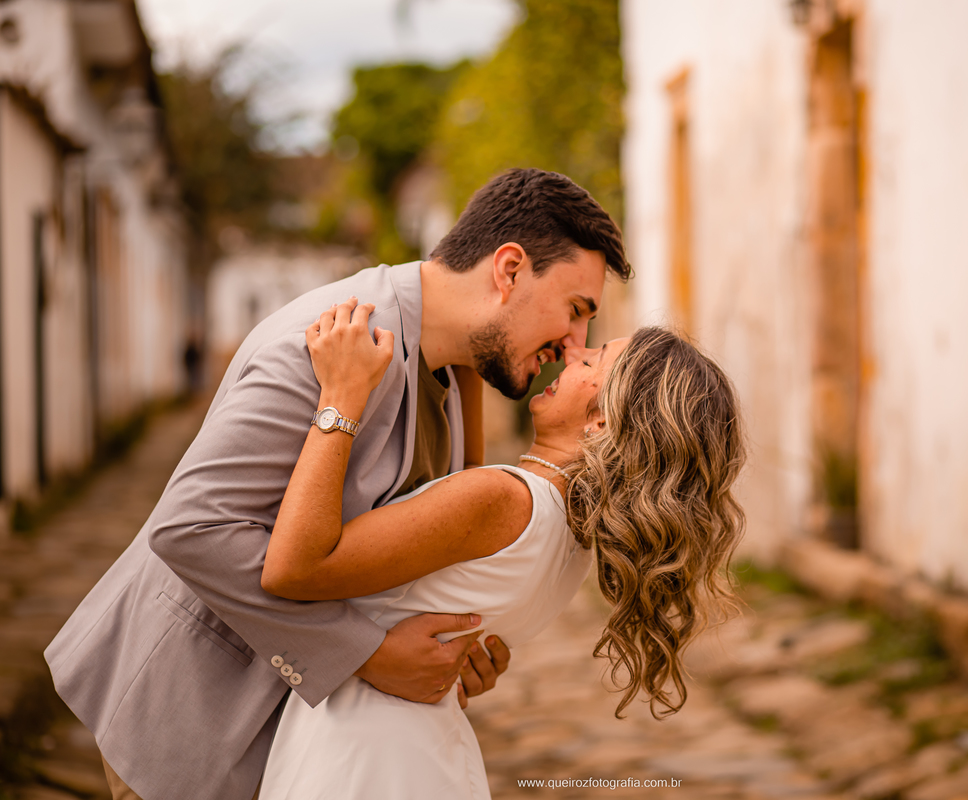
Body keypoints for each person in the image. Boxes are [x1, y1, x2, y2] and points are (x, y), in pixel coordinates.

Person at [44, 169, 630, 800]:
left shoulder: (459, 368)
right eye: (576, 311)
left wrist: (453, 649)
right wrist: (368, 654)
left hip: (306, 746)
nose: (576, 344)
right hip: (190, 727)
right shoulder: (333, 341)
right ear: (509, 270)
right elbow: (192, 527)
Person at [253, 299, 746, 799]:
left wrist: (341, 397)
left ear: (602, 421)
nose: (574, 352)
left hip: (362, 759)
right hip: (413, 752)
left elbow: (294, 568)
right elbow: (461, 503)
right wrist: (468, 352)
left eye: (593, 359)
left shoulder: (503, 501)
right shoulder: (570, 540)